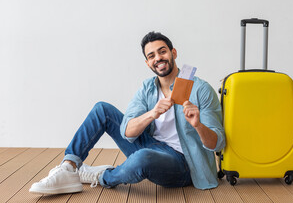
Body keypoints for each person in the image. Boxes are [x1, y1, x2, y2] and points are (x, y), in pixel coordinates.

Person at [29, 31, 225, 194]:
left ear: (173, 52)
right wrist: (152, 114)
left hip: (182, 163)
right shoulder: (147, 88)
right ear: (148, 63)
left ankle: (102, 175)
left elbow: (218, 143)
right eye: (151, 56)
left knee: (142, 158)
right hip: (152, 146)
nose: (158, 58)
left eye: (162, 51)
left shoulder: (200, 89)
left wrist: (198, 125)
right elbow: (127, 132)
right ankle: (68, 167)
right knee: (102, 109)